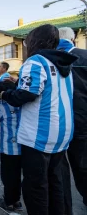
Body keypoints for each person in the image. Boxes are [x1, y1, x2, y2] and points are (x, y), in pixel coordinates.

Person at [1, 24, 77, 214]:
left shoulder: (35, 62)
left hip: (39, 136)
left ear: (35, 42)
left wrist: (5, 94)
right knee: (55, 182)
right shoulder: (63, 63)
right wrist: (18, 84)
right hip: (63, 133)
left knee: (35, 187)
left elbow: (26, 95)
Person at [57, 27, 87, 209]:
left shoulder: (45, 59)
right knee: (82, 165)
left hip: (56, 123)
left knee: (59, 170)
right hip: (81, 122)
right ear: (73, 39)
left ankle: (63, 207)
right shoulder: (83, 56)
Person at [0, 81, 23, 213]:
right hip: (21, 148)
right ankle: (17, 200)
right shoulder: (21, 106)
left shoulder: (3, 107)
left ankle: (8, 202)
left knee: (7, 175)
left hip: (7, 148)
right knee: (17, 175)